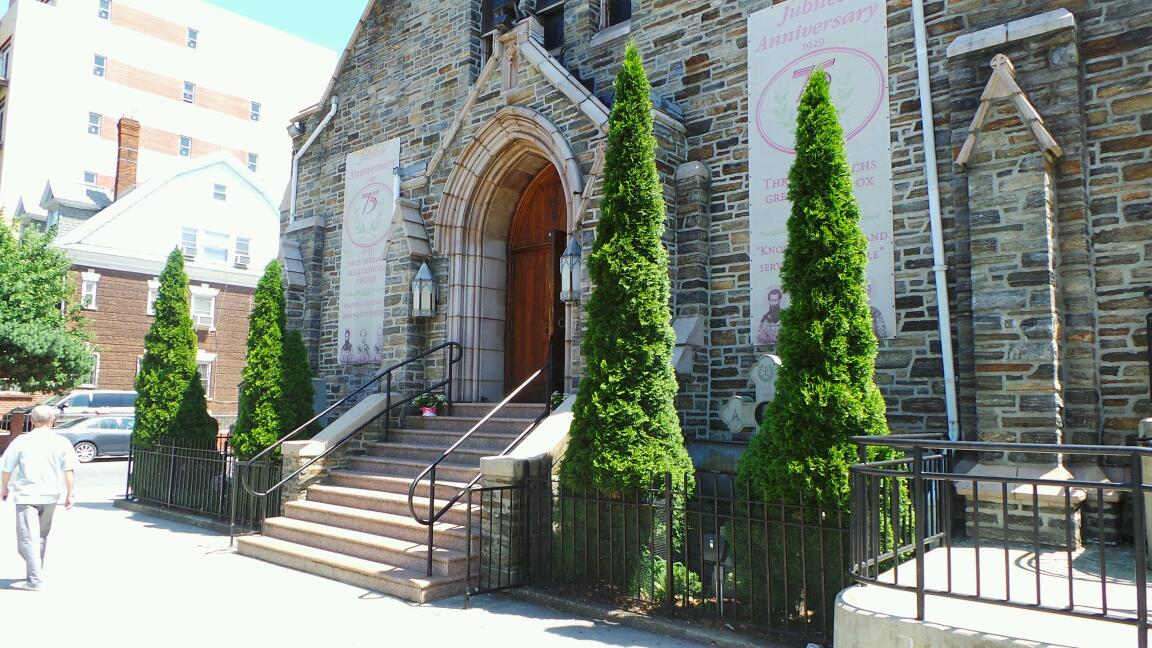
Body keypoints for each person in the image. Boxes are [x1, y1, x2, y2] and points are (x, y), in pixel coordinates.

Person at [0, 405, 78, 591]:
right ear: (52, 421)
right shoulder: (62, 442)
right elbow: (69, 471)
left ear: (32, 421)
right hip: (51, 496)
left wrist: (5, 488)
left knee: (27, 539)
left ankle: (34, 579)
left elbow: (7, 468)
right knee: (40, 536)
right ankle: (35, 573)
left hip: (27, 495)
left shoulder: (21, 441)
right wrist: (70, 493)